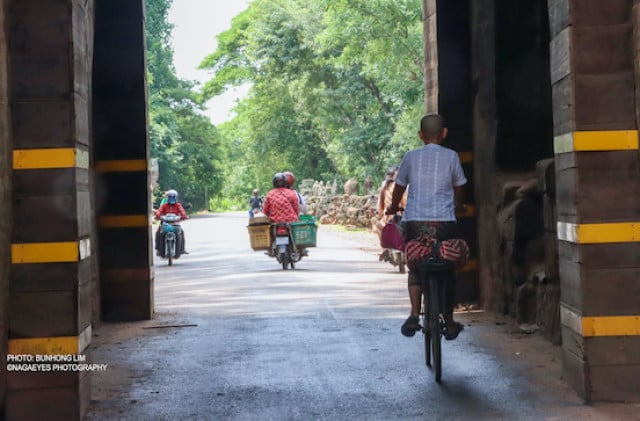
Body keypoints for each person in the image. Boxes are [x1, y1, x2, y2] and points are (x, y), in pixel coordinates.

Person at [386, 113, 467, 340]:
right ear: (444, 134)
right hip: (445, 224)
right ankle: (449, 322)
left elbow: (399, 187)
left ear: (420, 135)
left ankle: (414, 314)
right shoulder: (451, 156)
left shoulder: (411, 157)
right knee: (448, 268)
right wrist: (459, 205)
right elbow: (460, 186)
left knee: (415, 266)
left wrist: (393, 207)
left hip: (416, 223)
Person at [154, 189, 188, 256]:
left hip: (175, 223)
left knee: (181, 232)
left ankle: (182, 249)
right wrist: (157, 215)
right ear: (167, 198)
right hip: (165, 223)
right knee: (158, 232)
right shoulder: (164, 206)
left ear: (176, 197)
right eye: (170, 197)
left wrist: (184, 216)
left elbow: (182, 211)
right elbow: (159, 211)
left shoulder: (178, 205)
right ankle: (158, 249)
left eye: (173, 197)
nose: (171, 198)